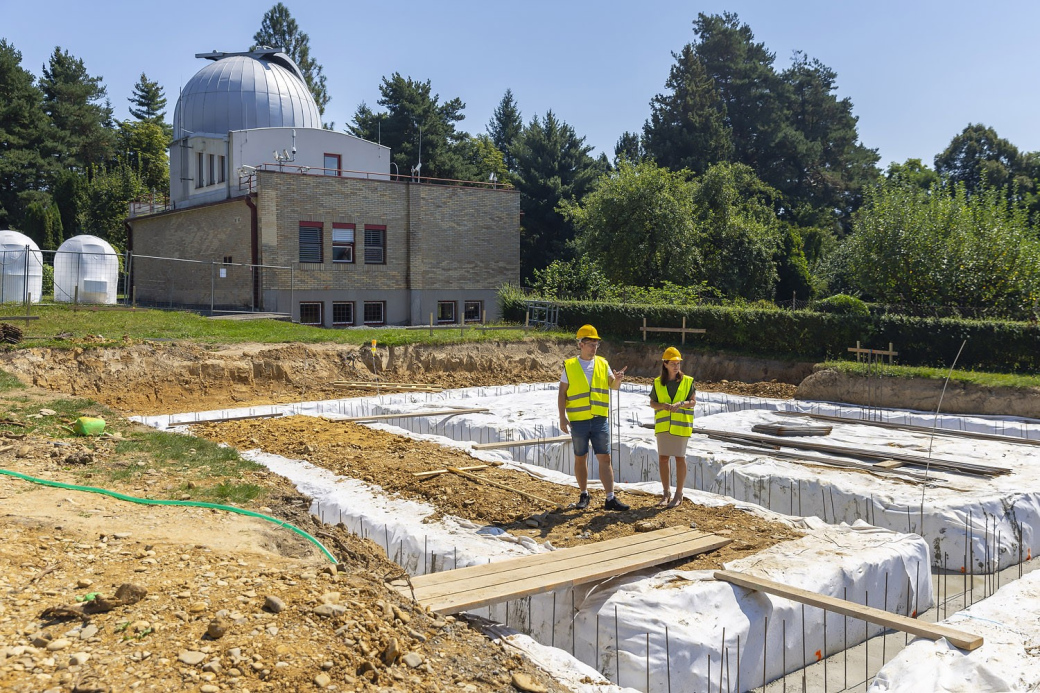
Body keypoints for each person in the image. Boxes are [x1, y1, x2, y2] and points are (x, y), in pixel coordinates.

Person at [558, 324, 630, 511]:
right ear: (581, 344)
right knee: (580, 458)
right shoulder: (570, 366)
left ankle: (610, 498)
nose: (594, 347)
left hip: (599, 419)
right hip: (579, 420)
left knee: (604, 458)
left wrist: (618, 379)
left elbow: (612, 386)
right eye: (590, 343)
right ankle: (584, 494)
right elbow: (562, 393)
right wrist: (562, 417)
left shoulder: (602, 363)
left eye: (596, 344)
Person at [649, 347, 696, 508]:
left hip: (681, 427)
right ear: (665, 364)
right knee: (663, 458)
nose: (676, 366)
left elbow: (693, 401)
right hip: (663, 427)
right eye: (673, 363)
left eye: (678, 363)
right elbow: (652, 403)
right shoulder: (657, 382)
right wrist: (662, 406)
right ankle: (666, 493)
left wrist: (681, 404)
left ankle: (679, 494)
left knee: (679, 458)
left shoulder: (687, 381)